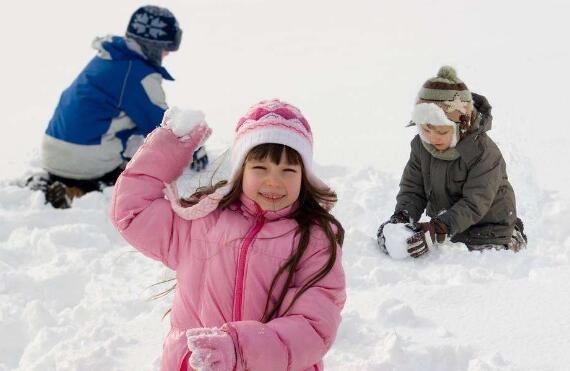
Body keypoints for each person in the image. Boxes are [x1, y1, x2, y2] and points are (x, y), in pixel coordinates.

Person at [110, 100, 346, 370]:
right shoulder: (201, 221)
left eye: (288, 170)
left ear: (304, 177)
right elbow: (132, 211)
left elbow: (313, 327)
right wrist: (168, 148)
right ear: (240, 170)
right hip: (198, 364)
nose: (274, 181)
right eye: (260, 168)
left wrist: (239, 349)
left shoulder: (313, 240)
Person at [34, 5, 208, 209]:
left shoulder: (108, 57)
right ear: (153, 46)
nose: (167, 54)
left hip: (53, 149)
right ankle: (82, 190)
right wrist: (193, 149)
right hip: (86, 159)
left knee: (128, 134)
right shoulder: (138, 75)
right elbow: (161, 124)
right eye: (165, 49)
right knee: (138, 176)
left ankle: (59, 180)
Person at [377, 66, 527, 258]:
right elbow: (414, 188)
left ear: (461, 126)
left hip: (488, 229)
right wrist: (402, 217)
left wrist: (439, 228)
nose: (432, 138)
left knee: (481, 261)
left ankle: (513, 235)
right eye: (425, 129)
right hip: (449, 226)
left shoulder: (484, 153)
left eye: (441, 131)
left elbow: (474, 203)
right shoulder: (420, 146)